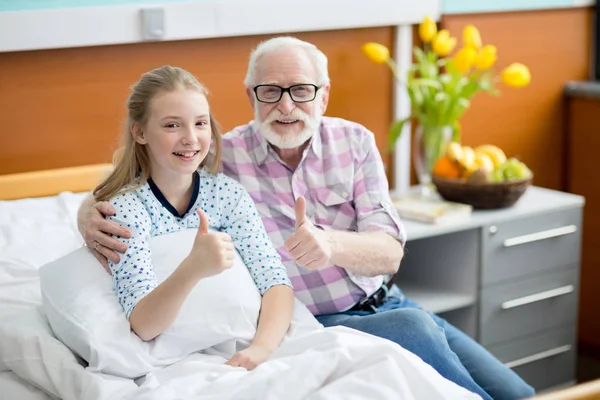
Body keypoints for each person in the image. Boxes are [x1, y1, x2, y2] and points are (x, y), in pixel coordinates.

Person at [78, 37, 535, 399]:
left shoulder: (355, 142)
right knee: (419, 336)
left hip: (388, 303)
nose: (285, 106)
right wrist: (86, 210)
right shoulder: (222, 152)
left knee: (514, 390)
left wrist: (330, 244)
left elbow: (390, 251)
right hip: (314, 322)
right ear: (251, 96)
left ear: (323, 95)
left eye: (300, 90)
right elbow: (142, 154)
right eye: (270, 92)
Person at [90, 65, 294, 371]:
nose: (190, 138)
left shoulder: (228, 195)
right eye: (172, 126)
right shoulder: (127, 211)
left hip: (241, 346)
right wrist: (193, 267)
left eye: (200, 123)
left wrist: (261, 348)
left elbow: (275, 282)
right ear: (140, 131)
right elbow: (144, 324)